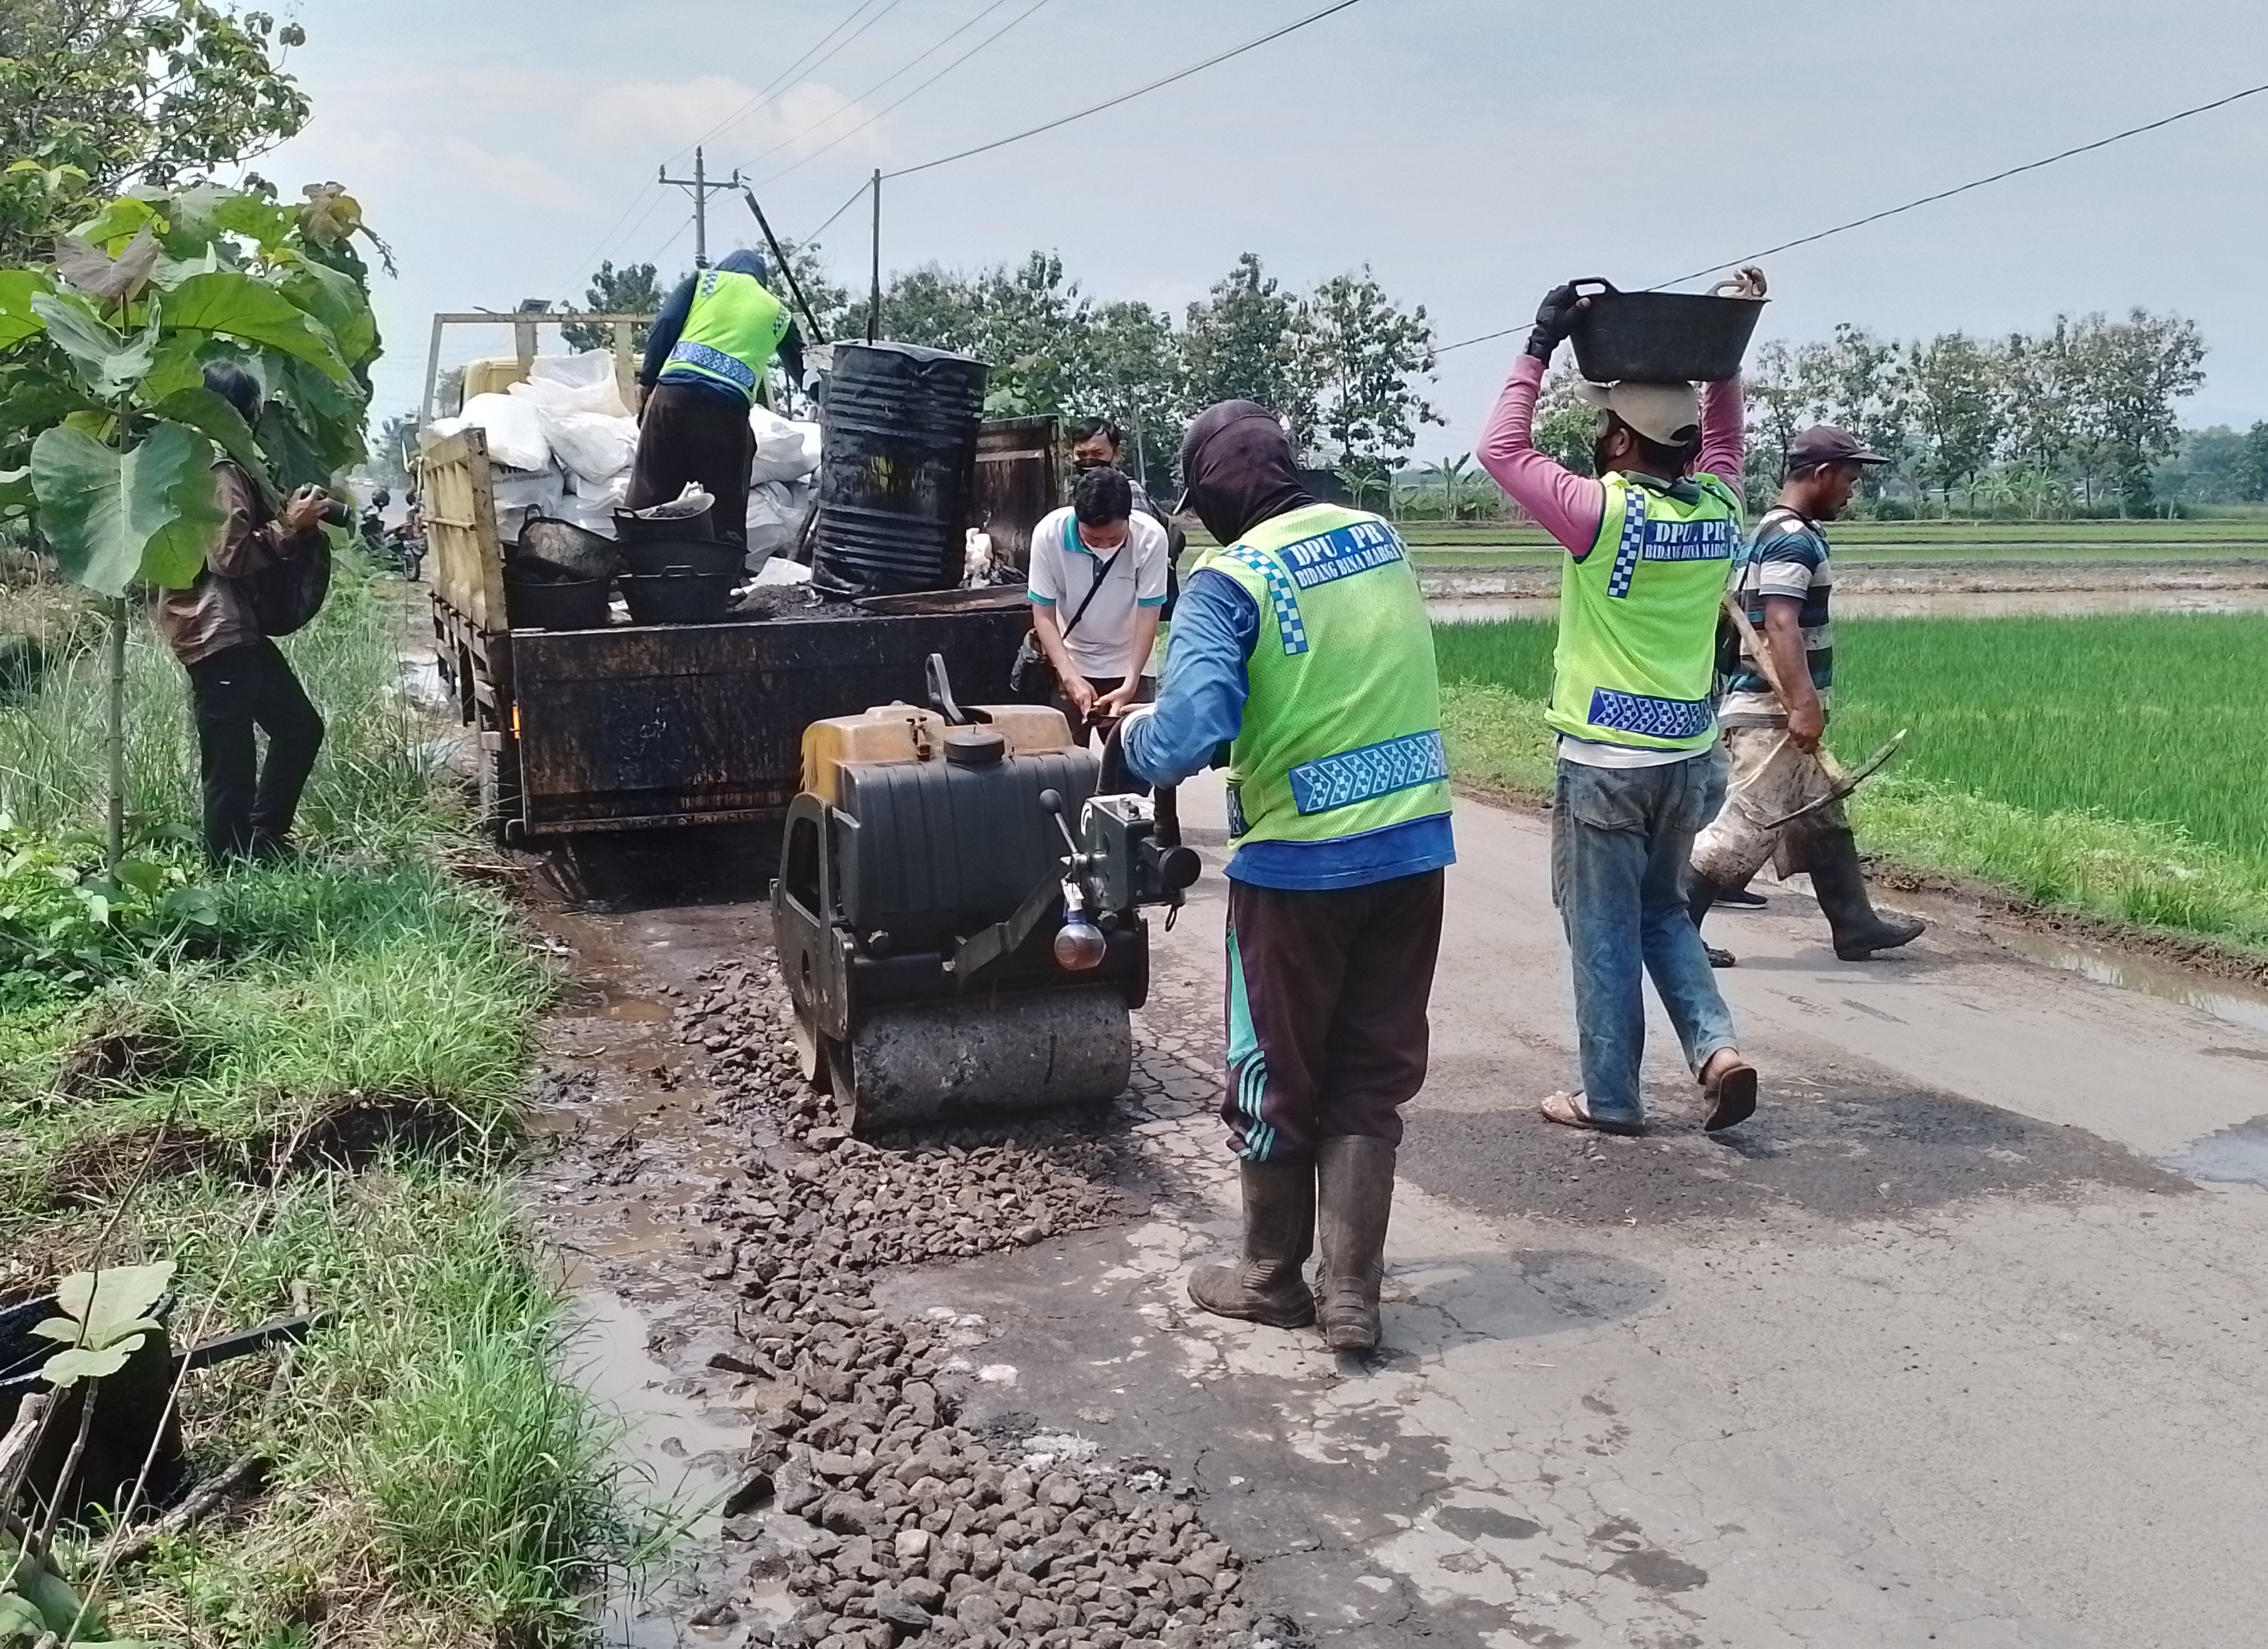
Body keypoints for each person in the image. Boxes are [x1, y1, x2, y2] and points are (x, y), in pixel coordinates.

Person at [1122, 401, 1454, 1355]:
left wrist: (1127, 739)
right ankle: (1350, 1296)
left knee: (1273, 1068)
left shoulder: (1229, 581)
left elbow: (1183, 734)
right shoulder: (1377, 539)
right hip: (1412, 851)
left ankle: (1270, 1278)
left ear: (1217, 493)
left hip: (1298, 868)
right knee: (1369, 1070)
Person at [1474, 275, 1766, 1138]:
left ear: (1619, 437)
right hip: (1687, 760)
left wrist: (1538, 342)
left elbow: (1499, 451)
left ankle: (1610, 1098)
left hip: (1604, 765)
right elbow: (1725, 438)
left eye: (1603, 423)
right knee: (1661, 910)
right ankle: (1715, 1047)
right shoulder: (1719, 507)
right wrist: (1725, 360)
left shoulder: (1597, 515)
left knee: (1600, 931)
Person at [1687, 426, 1927, 963]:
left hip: (1778, 709)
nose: (1851, 491)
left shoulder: (1772, 531)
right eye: (1849, 478)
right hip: (1772, 712)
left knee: (1822, 814)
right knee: (1746, 825)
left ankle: (1854, 923)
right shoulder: (1792, 538)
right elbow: (1779, 620)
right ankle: (1676, 932)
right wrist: (1802, 704)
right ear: (1820, 475)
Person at [154, 362, 329, 864]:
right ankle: (231, 863)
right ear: (240, 414)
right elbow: (228, 555)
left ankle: (261, 839)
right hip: (217, 630)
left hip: (228, 630)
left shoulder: (185, 461)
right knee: (231, 757)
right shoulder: (221, 470)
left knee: (297, 727)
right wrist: (289, 530)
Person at [628, 249, 805, 543]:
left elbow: (665, 325)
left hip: (673, 399)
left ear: (727, 268)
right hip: (726, 413)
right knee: (727, 507)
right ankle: (724, 575)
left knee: (649, 493)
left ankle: (631, 563)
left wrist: (647, 384)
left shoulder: (704, 282)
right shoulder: (779, 314)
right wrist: (830, 400)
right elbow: (803, 368)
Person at [1069, 415, 1186, 837]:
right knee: (1073, 763)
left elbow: (1144, 599)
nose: (1089, 463)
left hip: (1126, 653)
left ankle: (1128, 846)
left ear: (1115, 455)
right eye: (1081, 456)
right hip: (1080, 654)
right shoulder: (1067, 502)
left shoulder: (1127, 499)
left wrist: (1132, 674)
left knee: (1130, 761)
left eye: (1097, 455)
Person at [1027, 467, 1169, 739]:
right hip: (1070, 659)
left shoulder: (1150, 538)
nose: (1104, 546)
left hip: (1132, 663)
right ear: (1077, 517)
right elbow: (1043, 613)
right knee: (1065, 764)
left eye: (1115, 539)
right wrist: (1069, 677)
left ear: (1129, 518)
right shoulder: (1049, 534)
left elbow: (1149, 614)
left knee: (1131, 766)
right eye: (1092, 539)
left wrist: (1131, 682)